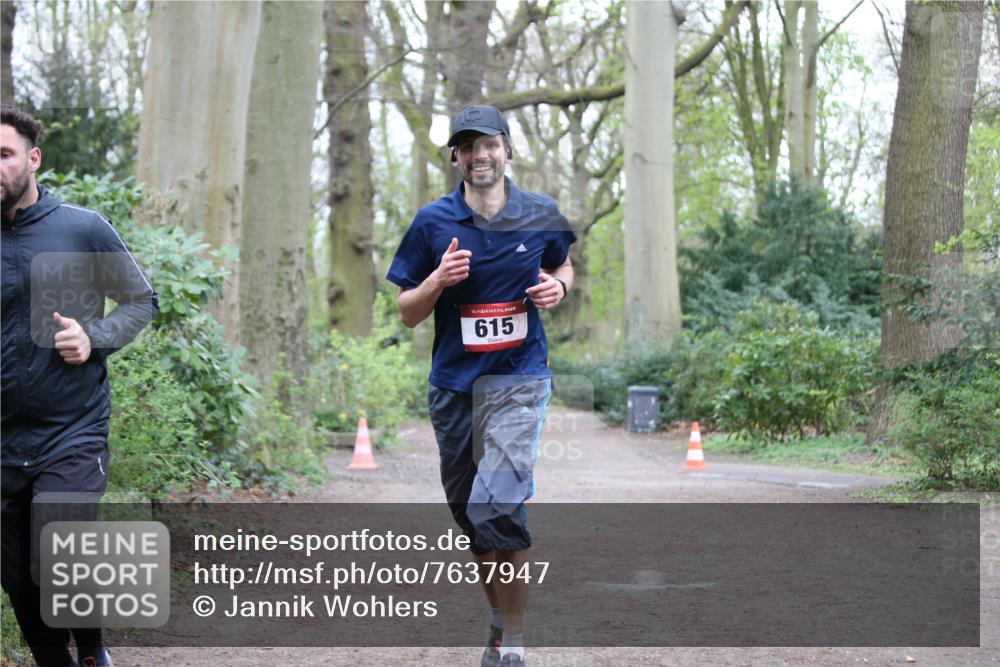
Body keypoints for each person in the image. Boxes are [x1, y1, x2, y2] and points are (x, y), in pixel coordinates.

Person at [387, 105, 576, 667]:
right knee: (472, 516)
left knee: (497, 506)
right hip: (453, 389)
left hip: (518, 380)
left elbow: (565, 267)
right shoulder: (432, 223)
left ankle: (513, 645)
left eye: (488, 144)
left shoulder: (540, 214)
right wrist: (437, 281)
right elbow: (406, 312)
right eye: (467, 147)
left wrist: (558, 289)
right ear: (456, 157)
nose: (479, 155)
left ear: (507, 150)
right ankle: (500, 624)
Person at [1, 105, 158, 667]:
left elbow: (142, 302)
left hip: (71, 430)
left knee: (59, 554)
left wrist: (95, 337)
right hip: (1, 441)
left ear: (32, 158)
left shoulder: (82, 227)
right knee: (17, 575)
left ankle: (91, 649)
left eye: (4, 154)